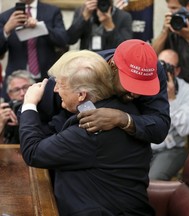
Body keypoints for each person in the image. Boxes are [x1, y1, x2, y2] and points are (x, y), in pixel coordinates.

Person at [19, 50, 155, 216]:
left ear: (81, 94)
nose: (55, 90)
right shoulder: (123, 108)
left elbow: (33, 152)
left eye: (61, 84)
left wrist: (29, 104)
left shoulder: (91, 129)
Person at [37, 39, 171, 145]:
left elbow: (160, 128)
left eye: (142, 88)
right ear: (112, 66)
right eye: (130, 85)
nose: (136, 94)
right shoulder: (83, 69)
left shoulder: (150, 70)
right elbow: (40, 109)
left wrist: (122, 119)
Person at [0, 0, 68, 100]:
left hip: (46, 76)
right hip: (17, 82)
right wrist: (6, 29)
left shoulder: (52, 11)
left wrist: (41, 28)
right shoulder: (5, 16)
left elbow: (63, 40)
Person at [149, 49, 189, 180]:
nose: (164, 70)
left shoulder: (186, 90)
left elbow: (185, 129)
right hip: (145, 147)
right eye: (161, 64)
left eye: (170, 67)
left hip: (172, 148)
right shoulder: (146, 84)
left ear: (177, 71)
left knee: (153, 181)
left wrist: (172, 99)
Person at [67, 0, 133, 51]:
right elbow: (70, 40)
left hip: (110, 62)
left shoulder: (124, 16)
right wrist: (83, 18)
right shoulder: (82, 12)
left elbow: (125, 48)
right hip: (87, 60)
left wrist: (109, 27)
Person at [0, 70, 35, 144]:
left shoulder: (44, 110)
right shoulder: (5, 113)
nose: (22, 93)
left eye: (25, 87)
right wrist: (1, 124)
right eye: (16, 90)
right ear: (10, 95)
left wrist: (23, 123)